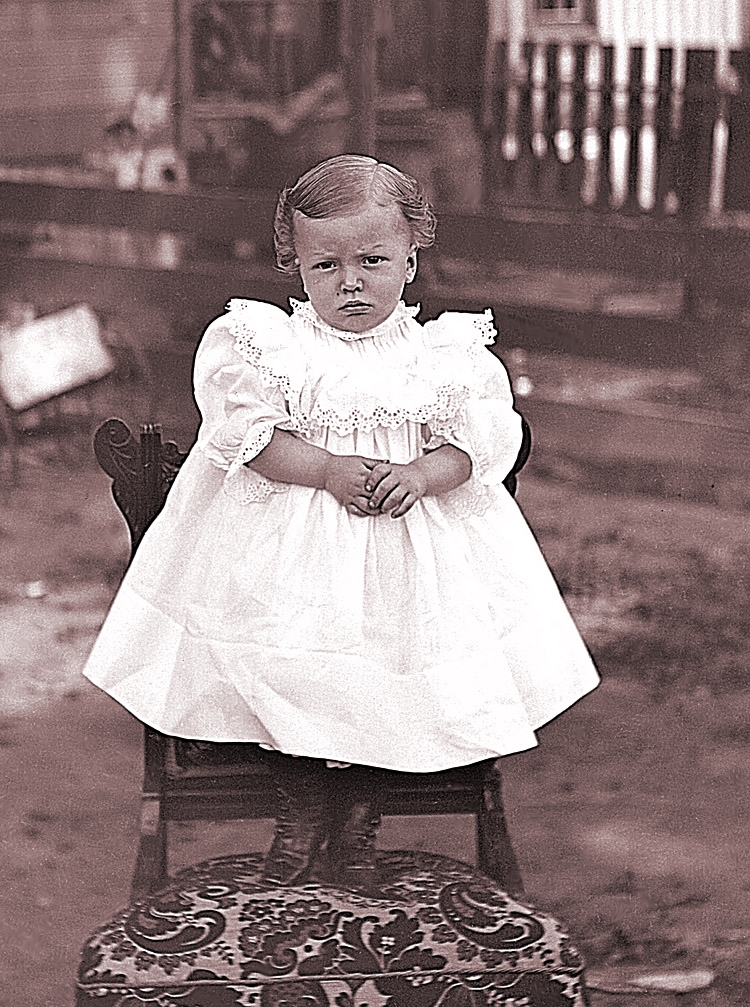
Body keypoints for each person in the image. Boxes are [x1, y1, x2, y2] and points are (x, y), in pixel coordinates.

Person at [83, 154, 599, 894]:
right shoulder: (269, 348)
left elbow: (480, 447)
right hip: (291, 556)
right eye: (325, 264)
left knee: (397, 665)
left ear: (411, 260)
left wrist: (421, 475)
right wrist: (324, 468)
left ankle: (360, 814)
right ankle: (301, 805)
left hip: (404, 556)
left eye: (373, 260)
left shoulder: (444, 357)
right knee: (280, 661)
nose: (350, 281)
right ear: (296, 267)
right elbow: (249, 439)